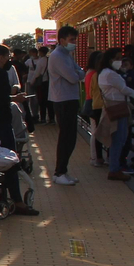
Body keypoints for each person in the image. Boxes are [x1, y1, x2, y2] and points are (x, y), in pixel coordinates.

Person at [0, 43, 40, 217]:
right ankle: (18, 201)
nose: (8, 60)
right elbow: (1, 99)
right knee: (10, 160)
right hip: (1, 123)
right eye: (6, 56)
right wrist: (15, 99)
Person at [46, 26, 83, 185]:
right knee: (66, 137)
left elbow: (79, 72)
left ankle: (63, 170)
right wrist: (78, 73)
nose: (74, 43)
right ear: (61, 40)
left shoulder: (66, 55)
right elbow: (74, 77)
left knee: (70, 137)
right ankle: (59, 171)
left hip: (69, 98)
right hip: (63, 99)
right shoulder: (58, 56)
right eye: (71, 40)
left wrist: (78, 73)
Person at [97, 47, 134, 180]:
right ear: (110, 59)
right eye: (118, 58)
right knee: (119, 139)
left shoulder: (104, 72)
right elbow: (123, 89)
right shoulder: (110, 74)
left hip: (112, 107)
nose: (120, 61)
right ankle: (115, 168)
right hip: (118, 108)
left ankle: (115, 166)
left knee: (118, 139)